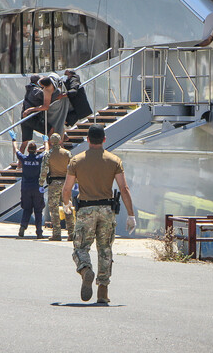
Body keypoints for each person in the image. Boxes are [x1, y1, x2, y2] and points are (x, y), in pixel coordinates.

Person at [62, 124, 136, 304]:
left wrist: (66, 205)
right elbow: (124, 189)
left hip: (86, 209)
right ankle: (103, 291)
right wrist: (131, 214)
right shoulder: (114, 161)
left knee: (80, 247)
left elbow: (66, 189)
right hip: (107, 210)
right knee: (105, 250)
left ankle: (86, 269)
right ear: (104, 140)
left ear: (87, 140)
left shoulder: (76, 161)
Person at [10, 131, 46, 239]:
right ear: (35, 150)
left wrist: (14, 139)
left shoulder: (24, 159)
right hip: (37, 187)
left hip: (25, 187)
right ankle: (39, 232)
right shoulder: (39, 159)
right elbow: (47, 151)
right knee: (38, 210)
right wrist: (45, 141)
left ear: (28, 150)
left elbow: (16, 150)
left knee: (27, 209)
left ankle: (22, 227)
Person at [39, 133, 73, 241]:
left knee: (54, 209)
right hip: (66, 183)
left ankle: (57, 233)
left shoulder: (48, 154)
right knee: (67, 206)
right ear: (59, 141)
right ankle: (72, 233)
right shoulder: (67, 153)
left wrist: (41, 183)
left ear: (50, 142)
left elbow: (44, 170)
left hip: (53, 183)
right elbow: (72, 169)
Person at [20, 75, 45, 153]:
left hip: (24, 118)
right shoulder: (36, 90)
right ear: (38, 82)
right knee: (50, 130)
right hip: (32, 118)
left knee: (25, 141)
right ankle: (47, 147)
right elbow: (47, 98)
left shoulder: (29, 89)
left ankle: (20, 163)